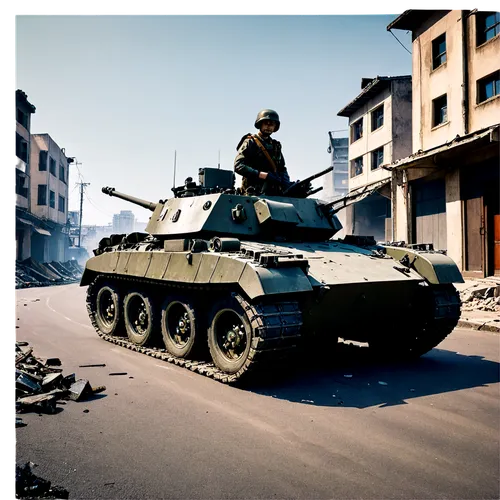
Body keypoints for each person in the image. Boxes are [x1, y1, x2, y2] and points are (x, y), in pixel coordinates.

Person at [234, 109, 294, 196]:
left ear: (275, 127)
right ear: (260, 124)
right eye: (266, 123)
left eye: (272, 124)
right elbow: (238, 165)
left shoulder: (275, 146)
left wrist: (287, 185)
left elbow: (282, 169)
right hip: (253, 192)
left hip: (273, 193)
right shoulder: (251, 142)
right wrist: (263, 175)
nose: (268, 127)